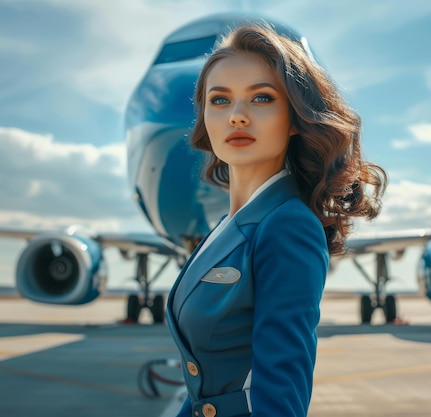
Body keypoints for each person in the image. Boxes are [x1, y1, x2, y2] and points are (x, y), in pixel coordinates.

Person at [166, 23, 387, 417]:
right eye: (220, 101)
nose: (237, 116)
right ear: (204, 119)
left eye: (262, 98)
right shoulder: (228, 227)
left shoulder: (287, 225)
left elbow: (281, 396)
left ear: (294, 118)